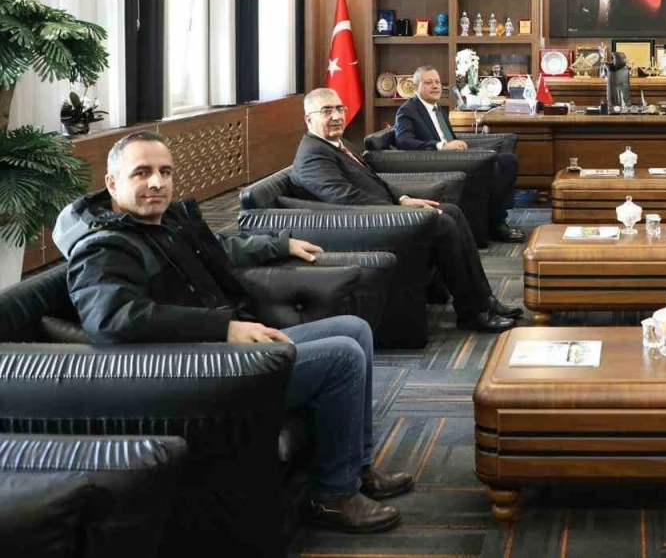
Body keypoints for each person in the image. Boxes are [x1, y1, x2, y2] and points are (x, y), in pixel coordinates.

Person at [53, 131, 415, 534]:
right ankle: (333, 495)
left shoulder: (161, 222)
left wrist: (279, 244)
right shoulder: (102, 247)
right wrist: (223, 328)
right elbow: (113, 319)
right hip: (193, 372)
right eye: (142, 173)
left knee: (355, 330)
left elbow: (218, 249)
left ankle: (356, 467)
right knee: (341, 357)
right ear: (112, 183)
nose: (157, 182)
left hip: (222, 352)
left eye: (165, 172)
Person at [291, 87, 519, 333]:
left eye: (339, 108)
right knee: (442, 223)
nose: (336, 116)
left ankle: (485, 300)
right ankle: (473, 312)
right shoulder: (313, 155)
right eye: (327, 111)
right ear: (308, 119)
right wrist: (399, 212)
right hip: (360, 227)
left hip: (380, 213)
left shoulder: (337, 144)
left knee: (451, 211)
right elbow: (344, 197)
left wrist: (403, 199)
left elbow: (373, 180)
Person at [392, 65, 526, 243]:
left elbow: (448, 137)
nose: (435, 86)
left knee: (508, 161)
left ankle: (497, 218)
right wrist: (441, 146)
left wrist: (457, 144)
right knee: (494, 164)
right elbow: (404, 141)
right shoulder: (408, 110)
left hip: (456, 157)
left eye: (437, 82)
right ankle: (497, 223)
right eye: (429, 82)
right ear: (416, 87)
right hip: (436, 162)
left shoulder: (437, 108)